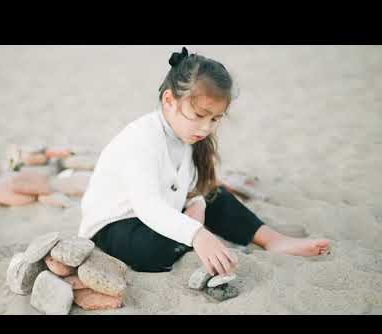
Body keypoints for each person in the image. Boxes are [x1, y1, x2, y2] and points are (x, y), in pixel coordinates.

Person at [78, 47, 330, 276]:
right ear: (169, 101)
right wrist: (196, 232)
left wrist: (197, 204)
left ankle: (273, 239)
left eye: (215, 119)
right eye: (199, 115)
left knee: (215, 196)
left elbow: (192, 184)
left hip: (165, 210)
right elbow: (148, 206)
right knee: (150, 251)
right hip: (116, 226)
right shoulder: (141, 139)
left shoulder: (186, 134)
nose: (205, 127)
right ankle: (190, 239)